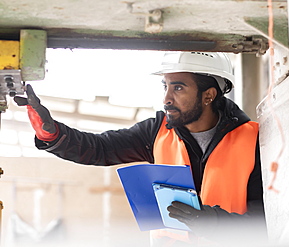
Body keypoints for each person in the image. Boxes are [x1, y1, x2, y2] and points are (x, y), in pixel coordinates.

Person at [14, 51, 266, 246]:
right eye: (165, 87)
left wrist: (208, 221)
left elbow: (263, 223)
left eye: (178, 87)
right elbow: (100, 148)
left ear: (208, 95)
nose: (166, 98)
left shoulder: (254, 140)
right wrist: (51, 133)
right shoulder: (157, 130)